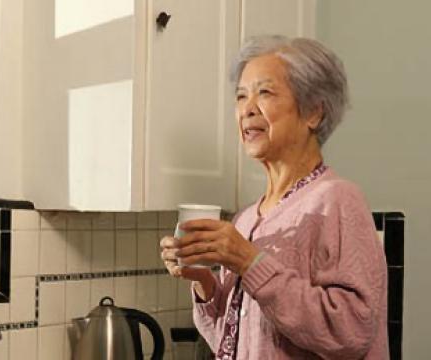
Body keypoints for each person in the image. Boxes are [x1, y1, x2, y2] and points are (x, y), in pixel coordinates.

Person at [160, 34, 388, 359]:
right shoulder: (248, 217)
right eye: (240, 97)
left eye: (264, 93)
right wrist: (202, 281)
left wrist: (249, 262)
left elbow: (351, 332)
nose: (247, 110)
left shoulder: (337, 201)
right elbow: (229, 342)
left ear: (313, 113)